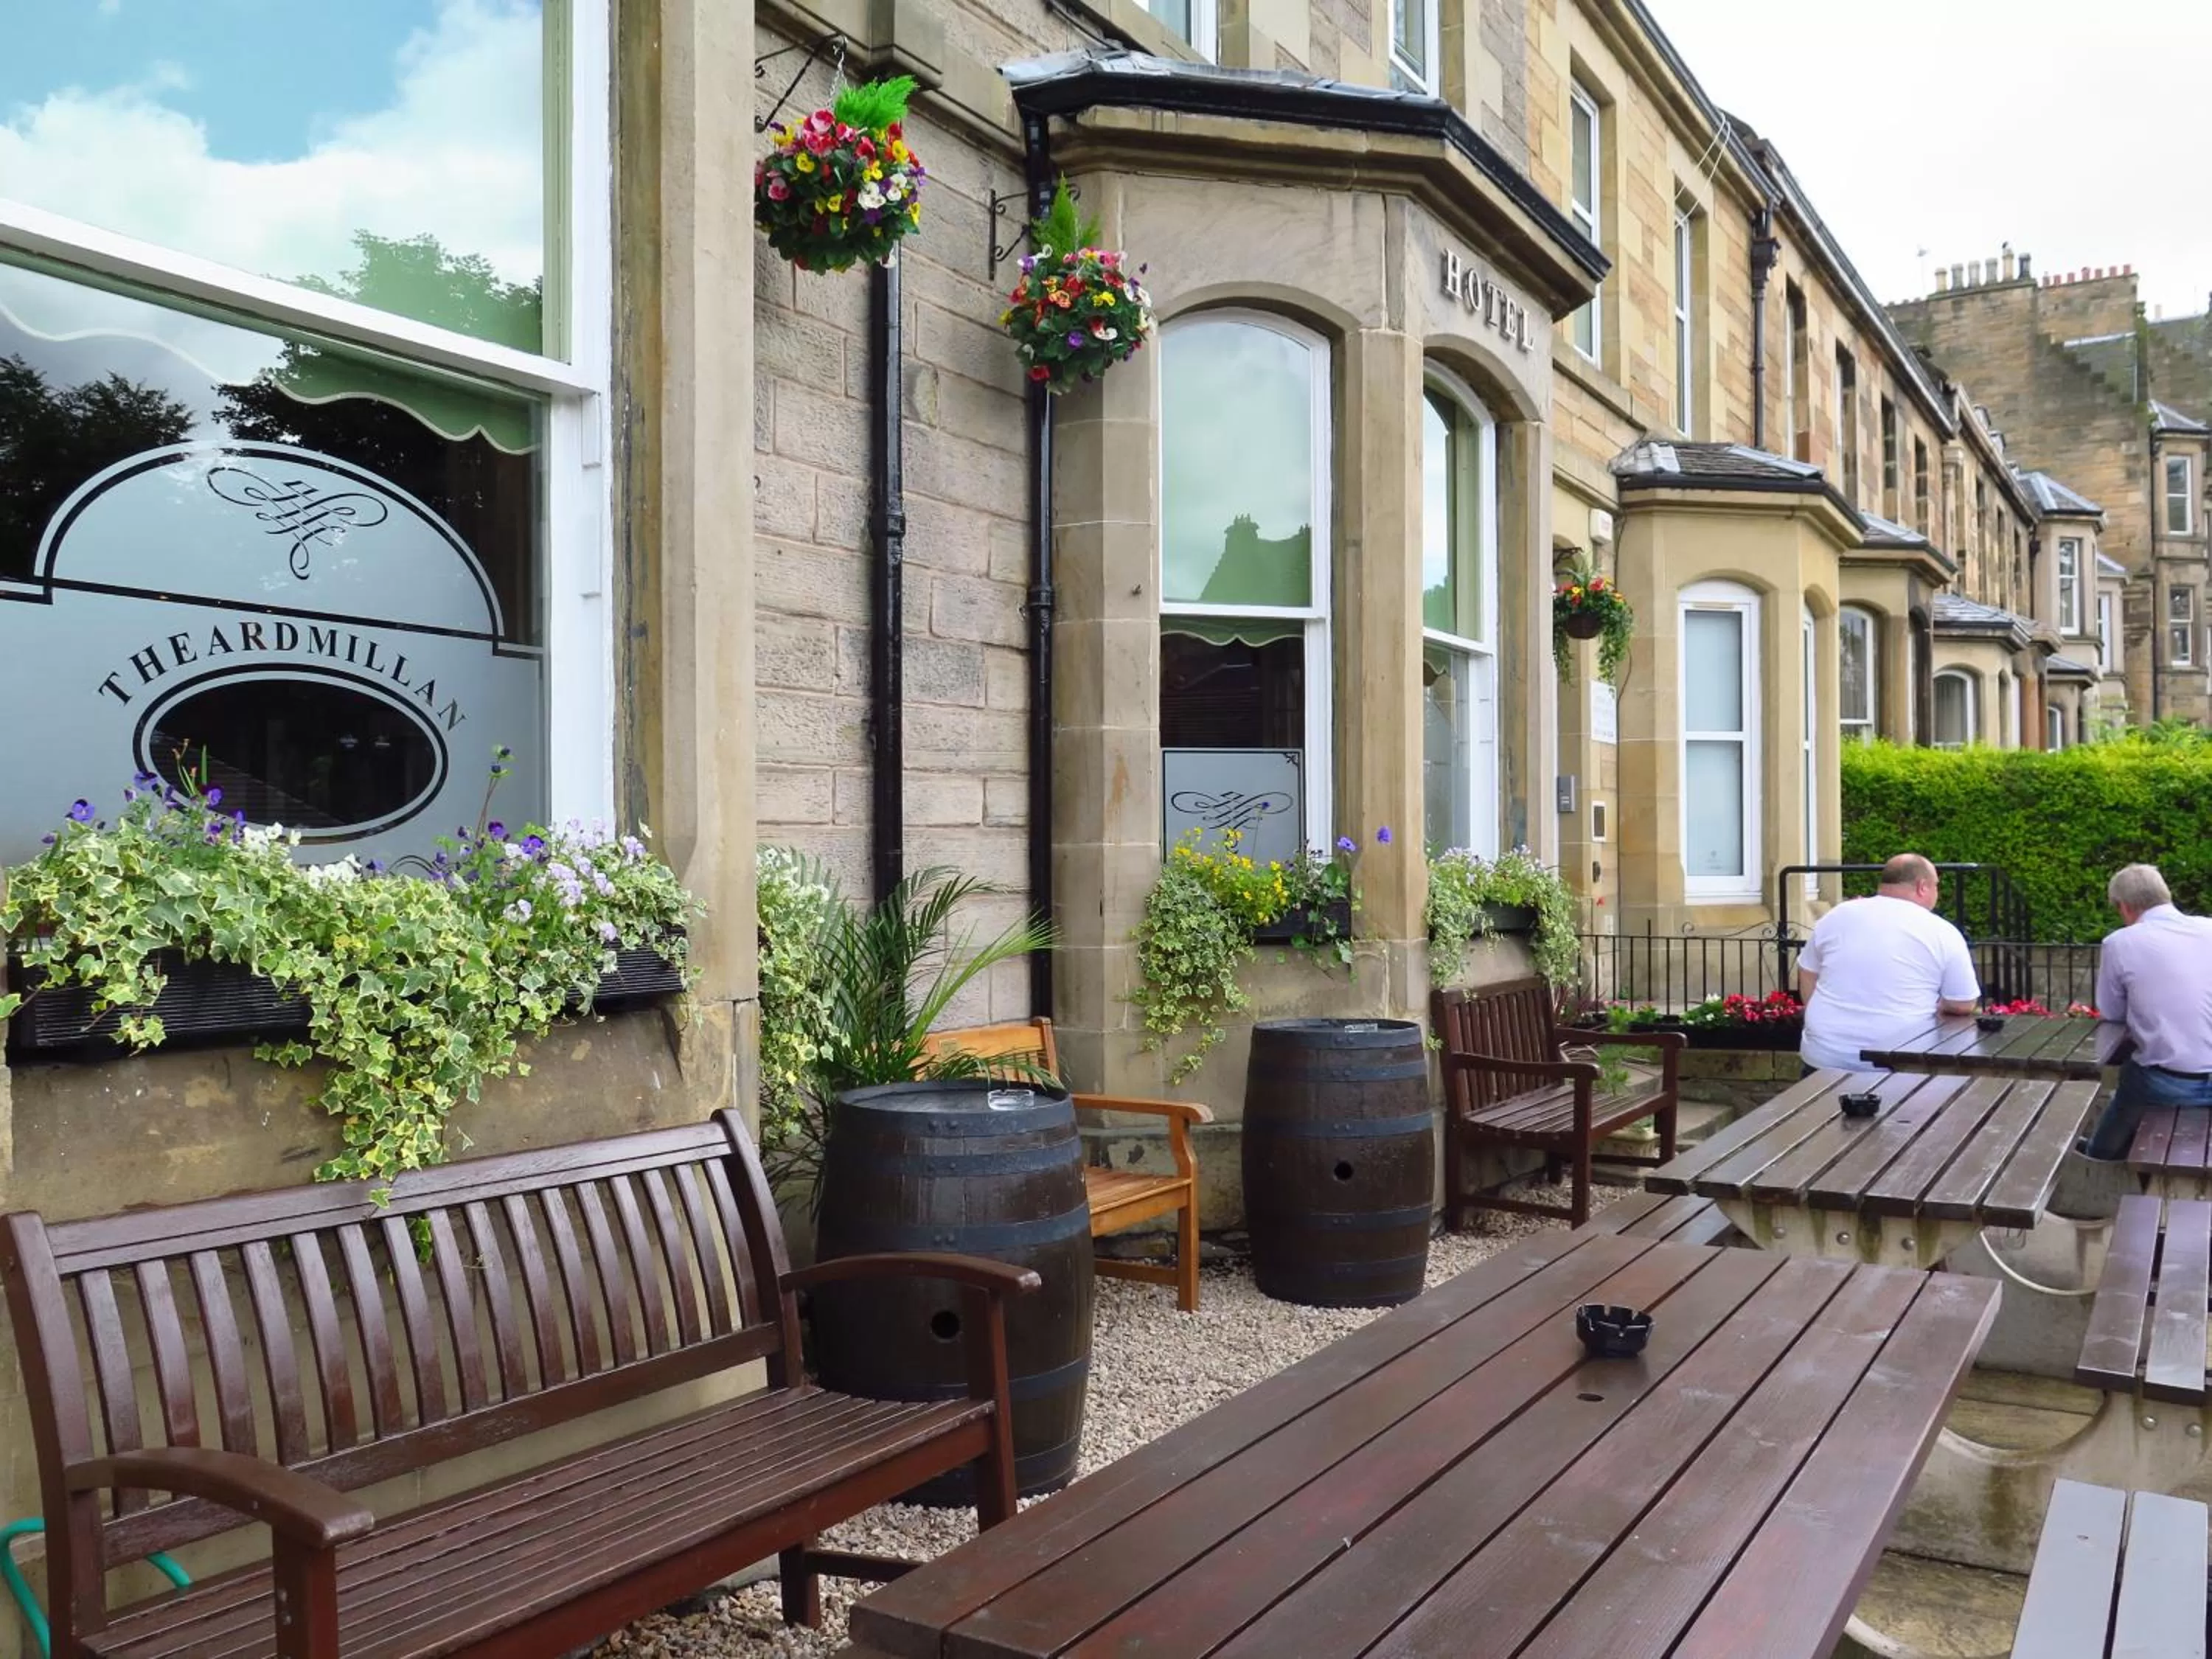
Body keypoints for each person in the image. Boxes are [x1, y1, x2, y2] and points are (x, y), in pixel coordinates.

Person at [1795, 853, 1980, 1073]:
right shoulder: (1941, 931)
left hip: (1824, 1055)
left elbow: (1807, 972)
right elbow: (1962, 1003)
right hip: (1899, 1062)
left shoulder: (1836, 916)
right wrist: (1936, 1005)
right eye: (1936, 886)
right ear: (1923, 887)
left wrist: (1819, 1013)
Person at [2078, 864, 2212, 1160]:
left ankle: (2101, 1153)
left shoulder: (2120, 943)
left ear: (2124, 907)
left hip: (2172, 1084)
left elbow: (2112, 1014)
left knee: (2135, 1075)